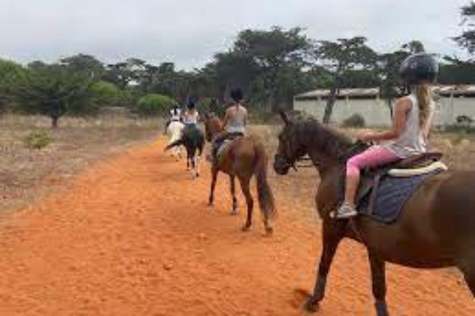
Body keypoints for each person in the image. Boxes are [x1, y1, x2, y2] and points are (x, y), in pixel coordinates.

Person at [336, 53, 439, 219]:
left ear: (407, 77)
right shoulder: (431, 103)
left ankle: (348, 205)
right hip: (419, 151)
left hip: (400, 151)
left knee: (353, 162)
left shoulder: (404, 102)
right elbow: (425, 135)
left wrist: (369, 136)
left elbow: (396, 134)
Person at [210, 88, 248, 164]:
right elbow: (245, 124)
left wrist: (220, 129)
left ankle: (214, 160)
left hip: (231, 133)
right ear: (241, 99)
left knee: (216, 141)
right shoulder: (245, 110)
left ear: (232, 99)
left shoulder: (229, 110)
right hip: (242, 133)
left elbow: (223, 125)